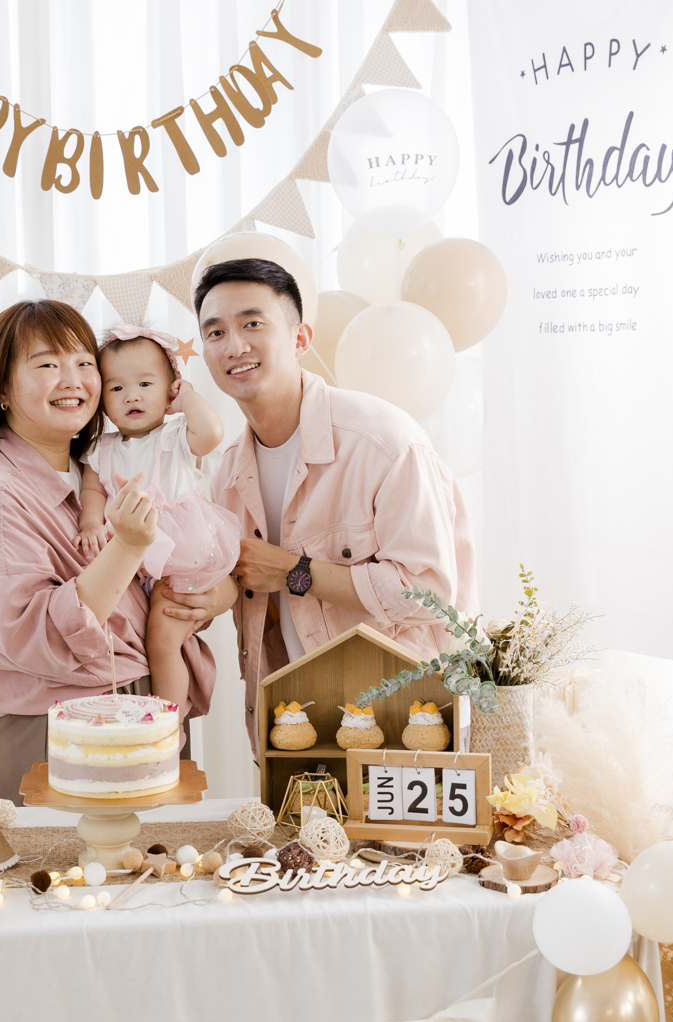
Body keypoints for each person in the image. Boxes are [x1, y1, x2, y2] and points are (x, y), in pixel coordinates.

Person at [0, 300, 235, 801]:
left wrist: (218, 594)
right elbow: (36, 638)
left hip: (146, 711)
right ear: (1, 390)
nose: (73, 380)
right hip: (60, 732)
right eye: (46, 364)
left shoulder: (100, 474)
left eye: (84, 362)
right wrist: (127, 546)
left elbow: (161, 585)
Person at [196, 258, 477, 751]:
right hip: (293, 726)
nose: (234, 346)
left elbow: (429, 591)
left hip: (405, 725)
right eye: (215, 332)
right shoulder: (227, 476)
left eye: (252, 324)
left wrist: (293, 572)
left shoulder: (384, 443)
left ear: (301, 338)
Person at [75, 325, 239, 711]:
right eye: (116, 388)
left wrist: (189, 398)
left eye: (146, 384)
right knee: (154, 636)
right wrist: (91, 522)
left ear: (170, 391)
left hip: (180, 556)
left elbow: (212, 433)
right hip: (135, 558)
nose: (131, 395)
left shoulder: (174, 435)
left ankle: (168, 718)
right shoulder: (102, 448)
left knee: (162, 642)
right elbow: (93, 491)